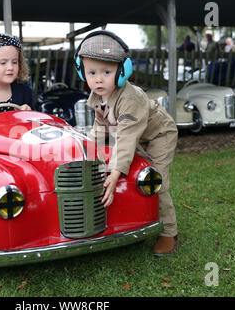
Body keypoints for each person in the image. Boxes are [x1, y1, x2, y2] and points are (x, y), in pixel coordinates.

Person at [75, 30, 179, 256]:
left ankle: (169, 232)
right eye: (91, 72)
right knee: (130, 173)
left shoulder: (129, 98)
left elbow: (125, 138)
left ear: (123, 72)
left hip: (159, 134)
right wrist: (84, 153)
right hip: (135, 136)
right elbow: (100, 130)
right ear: (81, 71)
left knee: (156, 181)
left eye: (107, 72)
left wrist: (114, 172)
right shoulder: (97, 97)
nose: (98, 78)